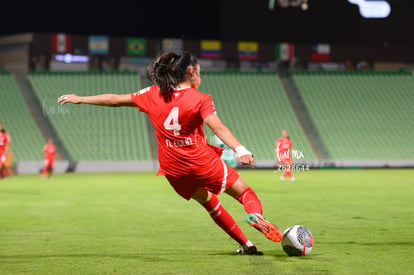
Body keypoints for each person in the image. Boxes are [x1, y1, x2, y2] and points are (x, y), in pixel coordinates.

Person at [58, 51, 282, 255]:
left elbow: (116, 99)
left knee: (209, 203)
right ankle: (257, 216)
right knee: (245, 193)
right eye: (200, 72)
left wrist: (82, 99)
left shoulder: (153, 93)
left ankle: (247, 246)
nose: (200, 77)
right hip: (200, 160)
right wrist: (241, 149)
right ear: (191, 72)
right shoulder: (201, 99)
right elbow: (218, 126)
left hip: (173, 169)